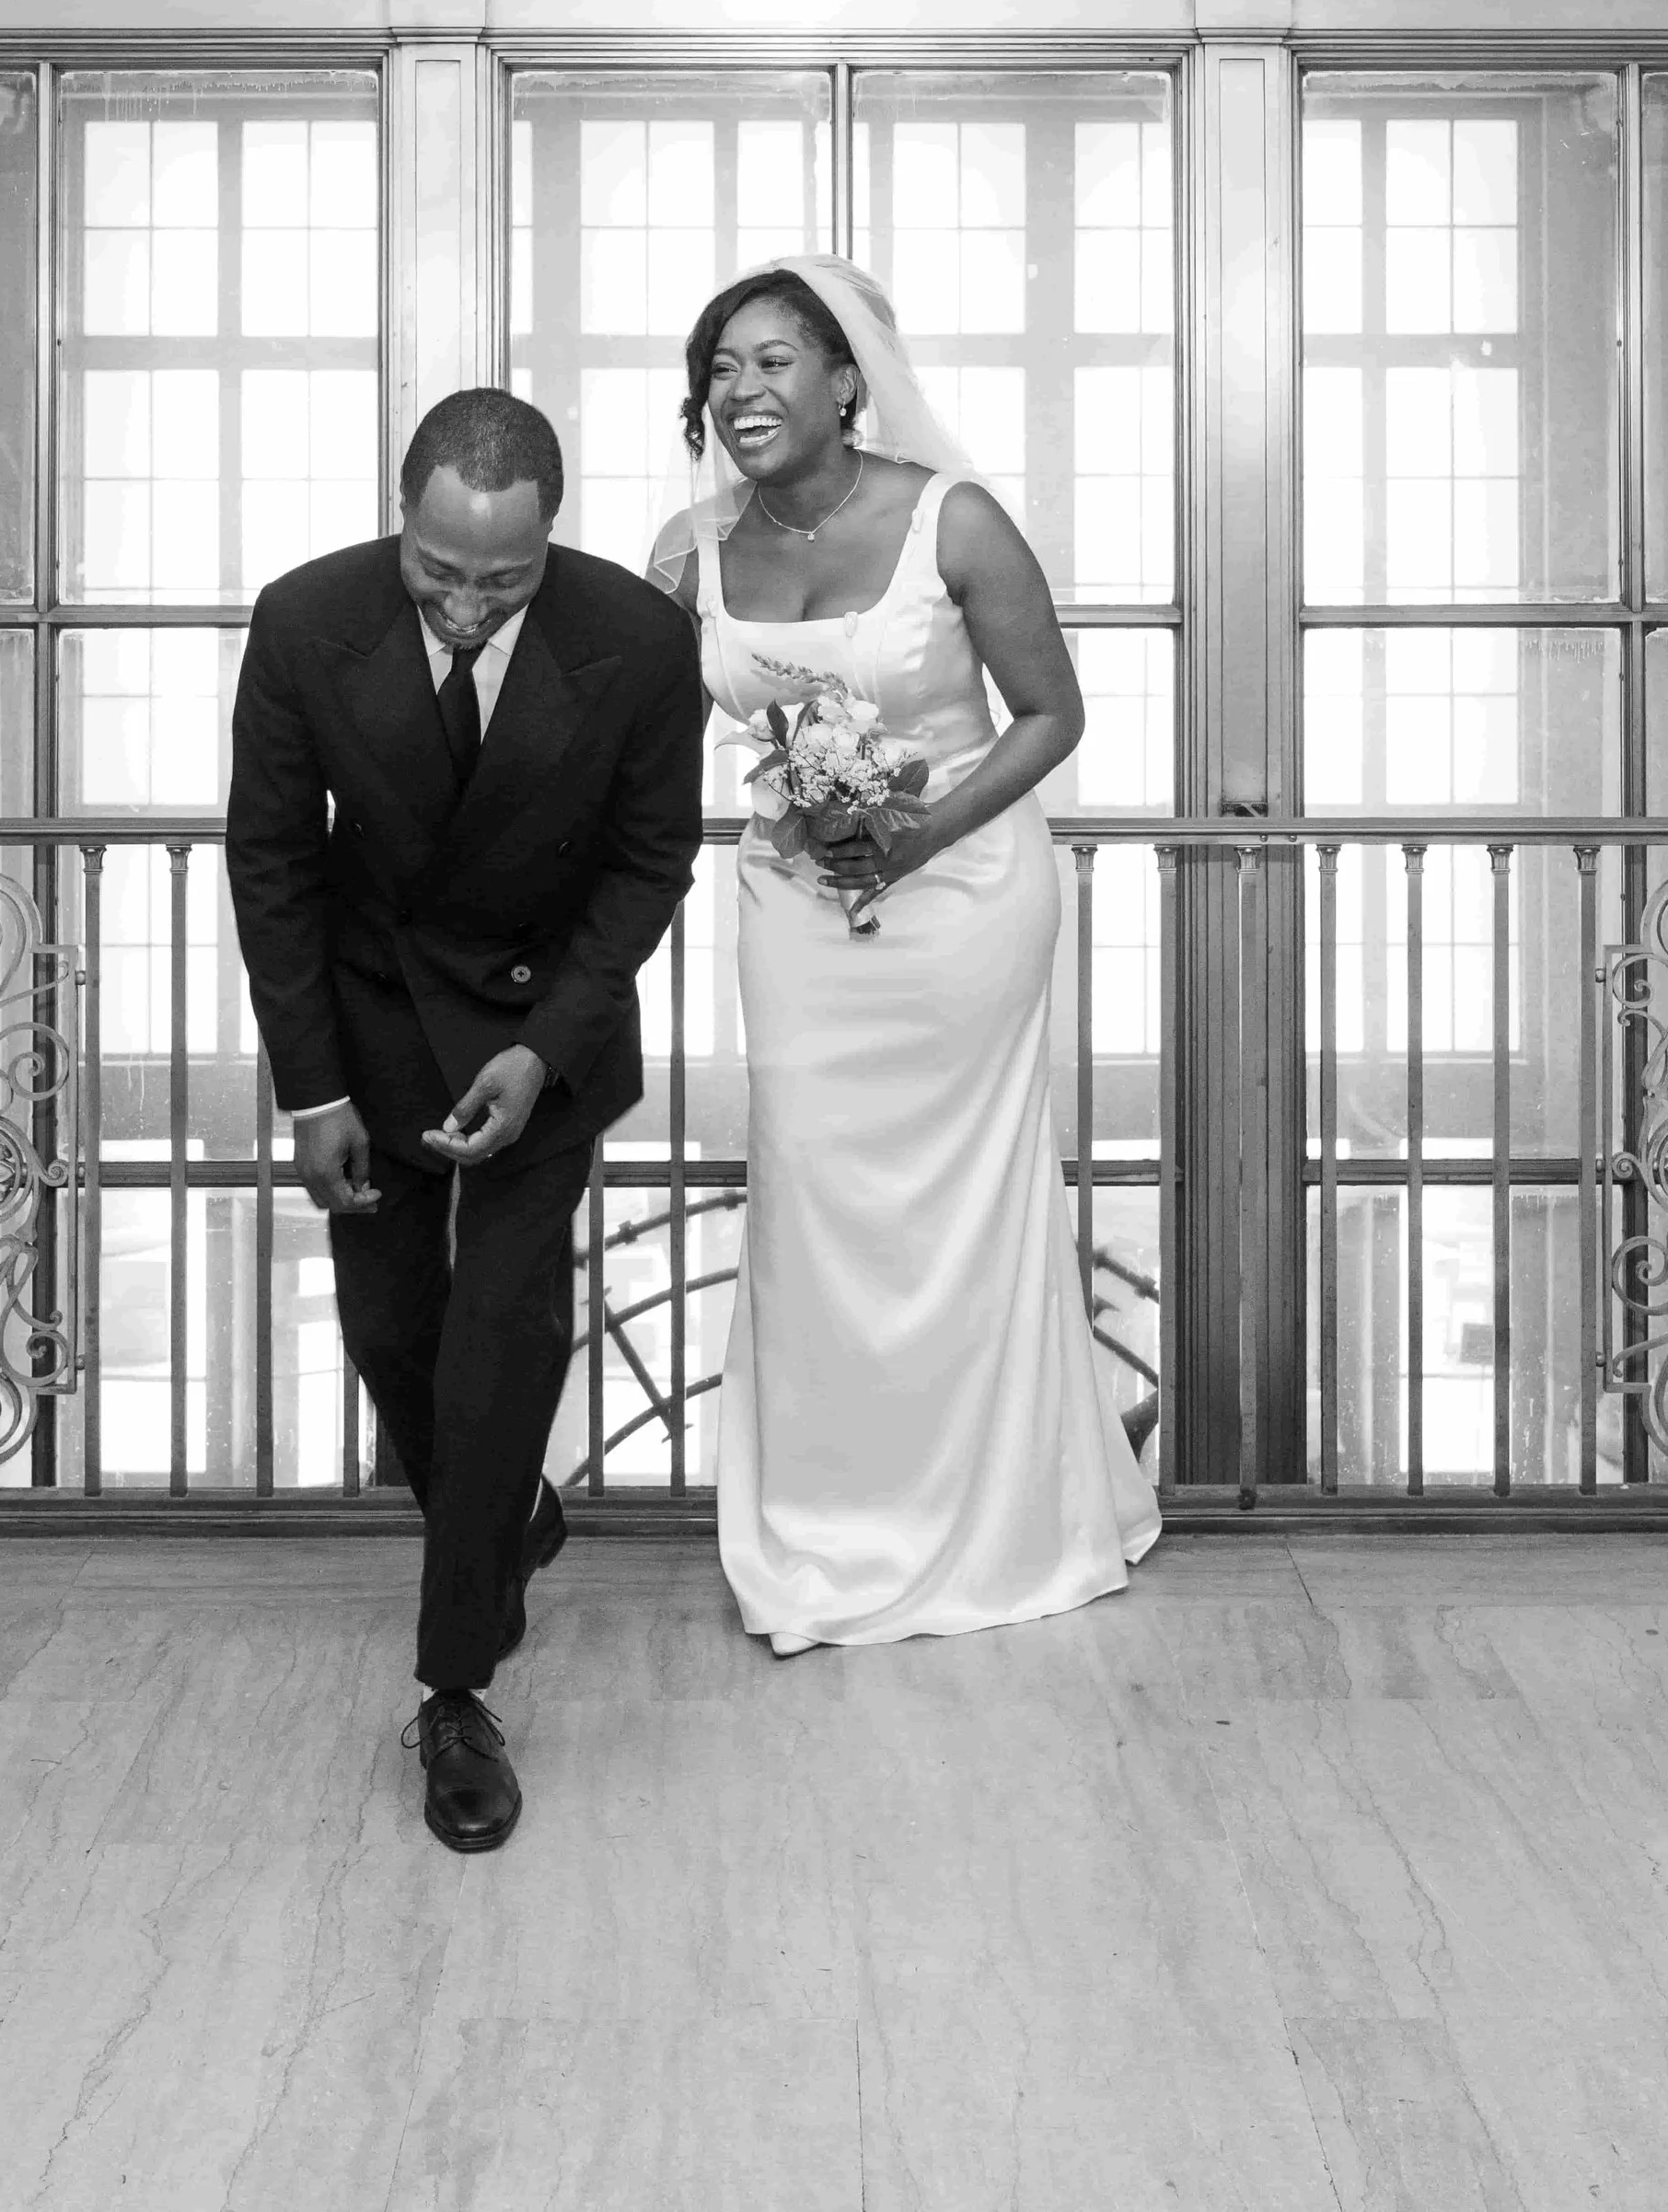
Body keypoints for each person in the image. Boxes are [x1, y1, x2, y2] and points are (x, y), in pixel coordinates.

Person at [650, 256, 1160, 1650]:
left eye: (770, 361)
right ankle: (830, 1522)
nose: (739, 389)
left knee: (964, 1207)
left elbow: (1050, 716)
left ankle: (1004, 1511)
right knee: (816, 1202)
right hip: (794, 910)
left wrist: (923, 832)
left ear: (846, 379)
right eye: (720, 368)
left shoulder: (957, 520)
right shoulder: (686, 550)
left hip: (964, 899)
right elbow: (629, 730)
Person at [227, 388, 705, 1849]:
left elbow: (648, 863)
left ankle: (454, 1690)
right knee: (390, 1334)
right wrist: (312, 1090)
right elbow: (272, 863)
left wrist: (545, 1050)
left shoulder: (634, 638)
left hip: (540, 1025)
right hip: (366, 1025)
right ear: (402, 512)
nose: (462, 604)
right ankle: (507, 1521)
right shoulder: (306, 618)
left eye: (499, 580)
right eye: (438, 571)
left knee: (503, 1330)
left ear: (548, 538)